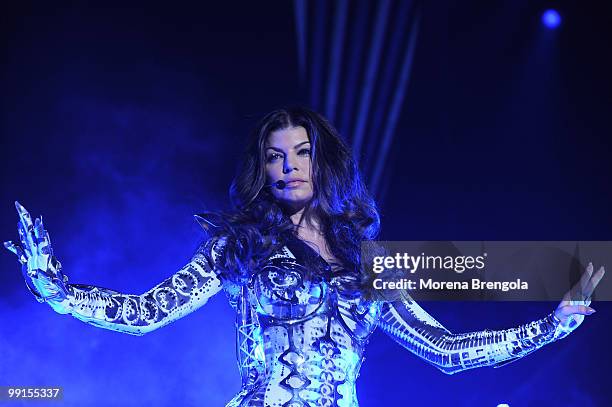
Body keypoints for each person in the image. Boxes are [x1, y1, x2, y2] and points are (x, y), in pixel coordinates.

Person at [4, 107, 605, 407]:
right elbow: (146, 312)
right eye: (274, 155)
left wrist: (553, 325)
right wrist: (58, 290)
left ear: (325, 162)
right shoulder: (238, 249)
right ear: (262, 167)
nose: (288, 166)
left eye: (301, 152)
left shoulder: (372, 263)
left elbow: (447, 353)